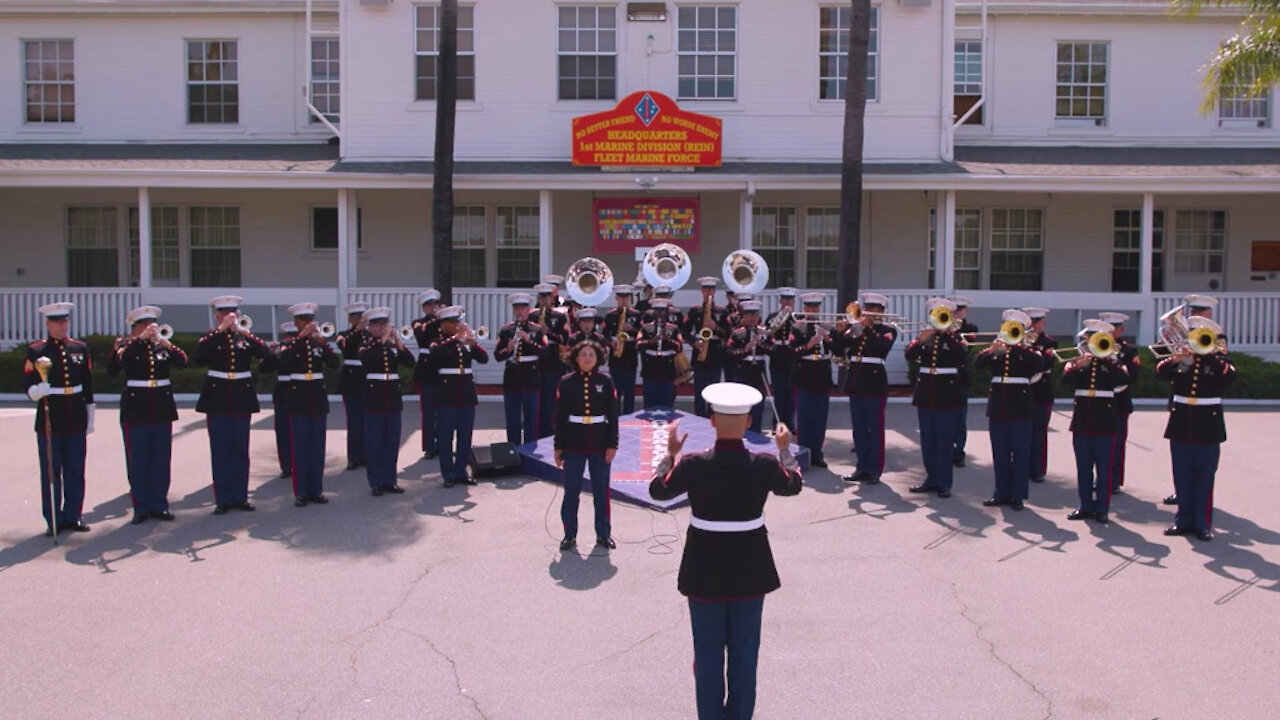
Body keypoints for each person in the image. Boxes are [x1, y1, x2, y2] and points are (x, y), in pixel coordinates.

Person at [649, 382, 802, 720]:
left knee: (707, 658)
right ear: (748, 422)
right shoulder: (763, 464)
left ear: (711, 421)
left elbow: (658, 491)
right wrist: (784, 449)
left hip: (704, 572)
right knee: (745, 658)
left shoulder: (691, 464)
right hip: (751, 571)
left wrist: (670, 454)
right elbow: (792, 483)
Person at [107, 305, 188, 524]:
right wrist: (139, 340)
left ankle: (160, 503)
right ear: (135, 328)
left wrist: (165, 342)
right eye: (144, 326)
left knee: (161, 458)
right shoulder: (127, 347)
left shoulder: (160, 347)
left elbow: (182, 361)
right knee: (139, 460)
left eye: (152, 325)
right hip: (136, 409)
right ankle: (141, 506)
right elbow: (114, 368)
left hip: (161, 408)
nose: (151, 330)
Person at [194, 295, 274, 514]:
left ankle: (240, 496)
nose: (230, 317)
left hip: (241, 397)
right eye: (224, 314)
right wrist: (219, 331)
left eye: (233, 313)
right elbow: (198, 357)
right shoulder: (211, 338)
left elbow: (266, 355)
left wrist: (246, 333)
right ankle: (223, 498)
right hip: (217, 397)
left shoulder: (245, 337)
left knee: (240, 449)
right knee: (220, 449)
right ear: (217, 316)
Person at [1157, 317, 1235, 541]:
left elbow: (1229, 377)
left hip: (1208, 426)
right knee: (1182, 475)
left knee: (1204, 477)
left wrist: (1209, 355)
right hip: (1181, 424)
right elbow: (1160, 373)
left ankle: (1202, 524)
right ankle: (1182, 521)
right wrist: (1177, 360)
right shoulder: (1183, 360)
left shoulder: (1218, 360)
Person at [23, 302, 94, 536]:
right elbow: (28, 383)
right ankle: (53, 518)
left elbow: (87, 384)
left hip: (74, 414)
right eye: (57, 322)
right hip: (50, 417)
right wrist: (36, 390)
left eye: (65, 321)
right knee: (52, 472)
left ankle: (73, 515)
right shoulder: (36, 351)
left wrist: (90, 416)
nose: (62, 326)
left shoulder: (80, 348)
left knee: (75, 469)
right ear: (47, 324)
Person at [974, 310, 1045, 511]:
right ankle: (1001, 492)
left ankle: (1018, 495)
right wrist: (991, 351)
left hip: (1021, 407)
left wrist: (1017, 346)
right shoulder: (997, 349)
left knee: (1020, 452)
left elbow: (1040, 364)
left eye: (1015, 328)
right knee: (1000, 452)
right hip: (998, 406)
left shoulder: (1029, 350)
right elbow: (977, 364)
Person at [553, 340, 620, 551]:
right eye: (583, 354)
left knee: (601, 491)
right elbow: (560, 416)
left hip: (600, 442)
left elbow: (613, 416)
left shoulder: (606, 381)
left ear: (598, 357)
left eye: (591, 354)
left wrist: (612, 444)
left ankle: (603, 534)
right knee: (571, 491)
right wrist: (558, 447)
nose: (588, 358)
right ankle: (569, 535)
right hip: (574, 442)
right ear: (576, 358)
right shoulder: (566, 382)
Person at [1061, 319, 1129, 524]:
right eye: (1090, 337)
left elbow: (1123, 379)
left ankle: (1102, 507)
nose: (1092, 341)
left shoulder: (1113, 362)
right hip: (1082, 420)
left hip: (1105, 421)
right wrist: (1076, 366)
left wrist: (1107, 359)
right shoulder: (1078, 361)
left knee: (1104, 468)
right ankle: (1085, 505)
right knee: (1083, 466)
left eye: (1097, 338)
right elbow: (1063, 382)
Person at [903, 298, 969, 498]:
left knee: (944, 441)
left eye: (941, 315)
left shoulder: (955, 338)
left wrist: (948, 334)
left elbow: (961, 357)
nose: (937, 320)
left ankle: (944, 482)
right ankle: (931, 478)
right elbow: (909, 355)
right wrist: (920, 340)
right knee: (928, 440)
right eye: (935, 315)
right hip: (926, 393)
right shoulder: (925, 336)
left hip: (946, 394)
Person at [278, 303, 339, 507]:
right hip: (298, 398)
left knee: (317, 447)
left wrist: (323, 342)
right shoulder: (292, 343)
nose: (309, 324)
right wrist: (301, 337)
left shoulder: (317, 344)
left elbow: (334, 363)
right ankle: (301, 491)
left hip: (317, 398)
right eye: (304, 321)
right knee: (301, 447)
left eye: (311, 320)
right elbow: (283, 360)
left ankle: (316, 489)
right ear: (296, 322)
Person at [1163, 295, 1220, 506]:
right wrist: (1172, 347)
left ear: (1209, 315)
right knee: (1182, 462)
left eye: (1200, 312)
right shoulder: (1182, 337)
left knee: (1203, 468)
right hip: (1182, 406)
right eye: (1192, 311)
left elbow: (1223, 374)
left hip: (1206, 413)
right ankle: (1182, 501)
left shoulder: (1217, 338)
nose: (1194, 315)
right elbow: (1161, 368)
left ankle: (1199, 516)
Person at [836, 292, 898, 484]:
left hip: (874, 382)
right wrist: (840, 331)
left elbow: (881, 349)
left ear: (881, 311)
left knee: (874, 429)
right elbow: (840, 348)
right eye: (868, 308)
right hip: (856, 382)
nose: (869, 312)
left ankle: (874, 470)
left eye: (874, 309)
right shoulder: (856, 328)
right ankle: (861, 467)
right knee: (859, 428)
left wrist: (867, 329)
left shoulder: (888, 330)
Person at [426, 305, 490, 488]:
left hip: (466, 394)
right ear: (443, 324)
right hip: (447, 394)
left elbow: (484, 359)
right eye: (452, 322)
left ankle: (461, 471)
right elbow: (434, 356)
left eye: (458, 321)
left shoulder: (465, 342)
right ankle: (448, 473)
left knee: (465, 436)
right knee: (446, 437)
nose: (456, 325)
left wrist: (473, 343)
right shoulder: (437, 340)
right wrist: (455, 339)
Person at [359, 307, 414, 496]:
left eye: (385, 324)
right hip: (374, 398)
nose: (383, 328)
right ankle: (376, 482)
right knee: (374, 441)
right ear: (371, 327)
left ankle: (390, 480)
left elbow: (409, 362)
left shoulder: (392, 346)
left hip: (391, 398)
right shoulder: (366, 343)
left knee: (391, 441)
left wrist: (398, 342)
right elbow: (365, 360)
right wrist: (382, 342)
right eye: (379, 325)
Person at [788, 293, 836, 468]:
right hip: (805, 376)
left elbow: (837, 350)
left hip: (822, 376)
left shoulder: (826, 326)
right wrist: (808, 345)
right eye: (809, 307)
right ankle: (803, 453)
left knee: (820, 418)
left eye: (816, 308)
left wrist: (829, 339)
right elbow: (791, 351)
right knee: (805, 418)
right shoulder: (797, 328)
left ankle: (817, 454)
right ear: (805, 308)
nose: (813, 311)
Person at [494, 292, 544, 446]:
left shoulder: (537, 330)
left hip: (531, 378)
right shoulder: (506, 330)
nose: (520, 311)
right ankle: (513, 450)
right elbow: (497, 355)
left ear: (528, 309)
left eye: (523, 307)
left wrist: (529, 340)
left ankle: (530, 451)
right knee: (512, 419)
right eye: (517, 308)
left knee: (531, 419)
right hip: (512, 379)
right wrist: (508, 350)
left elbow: (545, 352)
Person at [724, 301, 772, 433]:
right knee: (743, 408)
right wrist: (744, 350)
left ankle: (756, 432)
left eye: (755, 314)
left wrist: (761, 345)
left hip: (759, 375)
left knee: (758, 409)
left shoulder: (765, 333)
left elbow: (774, 350)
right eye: (749, 315)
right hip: (743, 373)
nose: (752, 318)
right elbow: (729, 353)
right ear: (744, 316)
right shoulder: (737, 334)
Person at [685, 277, 729, 417]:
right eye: (705, 289)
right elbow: (684, 332)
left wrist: (715, 327)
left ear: (715, 291)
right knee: (698, 391)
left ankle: (712, 418)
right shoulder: (695, 311)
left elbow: (728, 334)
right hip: (699, 354)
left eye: (711, 289)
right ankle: (699, 418)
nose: (708, 292)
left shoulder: (722, 311)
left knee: (714, 391)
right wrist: (694, 342)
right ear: (701, 291)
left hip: (715, 354)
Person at [336, 301, 371, 471]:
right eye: (356, 317)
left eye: (362, 316)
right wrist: (357, 331)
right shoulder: (344, 334)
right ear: (350, 319)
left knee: (368, 420)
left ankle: (366, 455)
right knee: (354, 420)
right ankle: (353, 456)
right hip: (351, 380)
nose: (359, 319)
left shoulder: (370, 335)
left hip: (367, 379)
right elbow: (345, 346)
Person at [1023, 307, 1056, 484]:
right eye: (1031, 323)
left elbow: (1044, 363)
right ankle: (1022, 467)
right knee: (1022, 433)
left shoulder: (1049, 342)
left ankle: (1037, 469)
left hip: (1041, 393)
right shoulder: (1020, 340)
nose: (1034, 326)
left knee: (1039, 433)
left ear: (1043, 322)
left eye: (1037, 322)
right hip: (1022, 393)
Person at [533, 283, 569, 438]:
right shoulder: (532, 316)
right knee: (535, 402)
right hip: (536, 364)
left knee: (551, 401)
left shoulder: (559, 316)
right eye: (541, 298)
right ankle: (536, 431)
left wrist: (550, 333)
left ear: (551, 298)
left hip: (554, 362)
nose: (544, 300)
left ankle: (549, 433)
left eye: (547, 297)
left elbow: (566, 338)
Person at [412, 289, 443, 459]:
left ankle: (443, 442)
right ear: (424, 308)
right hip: (427, 368)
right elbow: (421, 333)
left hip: (443, 368)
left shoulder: (444, 322)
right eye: (429, 305)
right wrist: (438, 318)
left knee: (444, 410)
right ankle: (429, 445)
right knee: (429, 410)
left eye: (435, 304)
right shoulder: (419, 323)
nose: (433, 307)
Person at [603, 283, 642, 414]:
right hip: (615, 357)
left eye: (626, 297)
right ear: (616, 298)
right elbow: (604, 335)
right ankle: (616, 418)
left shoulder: (636, 315)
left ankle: (628, 416)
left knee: (629, 392)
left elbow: (643, 334)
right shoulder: (610, 315)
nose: (623, 300)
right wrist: (610, 344)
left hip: (630, 356)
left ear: (629, 298)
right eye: (621, 297)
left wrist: (633, 329)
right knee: (615, 392)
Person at [637, 298, 683, 409]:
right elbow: (638, 345)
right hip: (650, 372)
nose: (660, 314)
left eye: (663, 311)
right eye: (657, 311)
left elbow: (679, 346)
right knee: (649, 406)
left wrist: (667, 339)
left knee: (666, 406)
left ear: (667, 312)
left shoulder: (673, 328)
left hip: (667, 372)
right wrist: (650, 341)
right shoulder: (645, 328)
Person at [764, 287, 798, 432]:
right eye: (785, 300)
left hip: (791, 357)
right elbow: (767, 334)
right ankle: (777, 423)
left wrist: (792, 317)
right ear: (780, 301)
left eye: (790, 300)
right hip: (777, 355)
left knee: (790, 392)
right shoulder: (773, 316)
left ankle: (790, 422)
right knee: (779, 392)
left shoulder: (797, 317)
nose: (787, 302)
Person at [268, 322, 298, 479]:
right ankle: (286, 465)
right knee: (283, 431)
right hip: (282, 392)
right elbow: (266, 368)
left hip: (299, 392)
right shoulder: (280, 350)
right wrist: (273, 354)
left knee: (299, 431)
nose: (292, 339)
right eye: (289, 336)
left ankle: (298, 463)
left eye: (295, 336)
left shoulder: (302, 349)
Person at [951, 296, 978, 467]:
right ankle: (945, 451)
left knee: (960, 419)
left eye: (959, 310)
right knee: (945, 418)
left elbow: (964, 352)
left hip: (960, 378)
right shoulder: (942, 326)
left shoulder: (970, 329)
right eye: (954, 310)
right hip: (943, 380)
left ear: (965, 311)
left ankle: (958, 452)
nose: (956, 313)